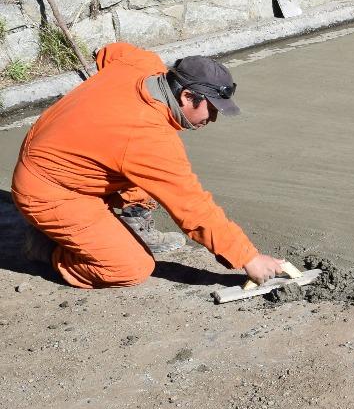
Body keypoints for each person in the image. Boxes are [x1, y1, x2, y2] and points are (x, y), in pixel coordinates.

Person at [11, 43, 288, 289]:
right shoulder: (148, 137)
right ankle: (45, 248)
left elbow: (111, 51)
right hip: (49, 191)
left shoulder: (143, 65)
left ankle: (131, 221)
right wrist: (248, 257)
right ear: (187, 97)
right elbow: (192, 208)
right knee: (130, 267)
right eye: (212, 109)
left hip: (53, 154)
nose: (213, 119)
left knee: (135, 165)